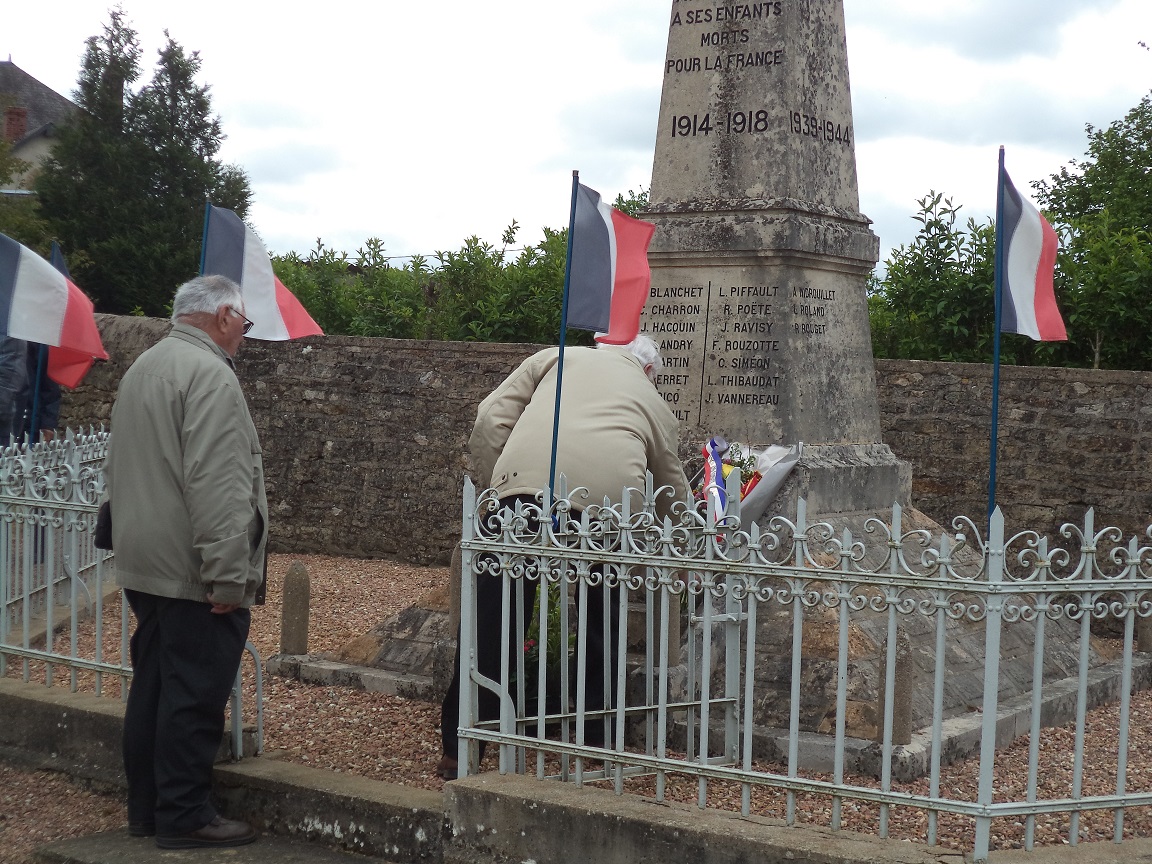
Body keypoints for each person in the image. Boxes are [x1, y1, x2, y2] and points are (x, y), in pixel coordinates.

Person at [438, 334, 690, 779]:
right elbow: (671, 482)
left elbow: (490, 418)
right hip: (606, 505)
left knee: (494, 618)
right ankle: (597, 739)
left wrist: (495, 484)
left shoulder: (553, 356)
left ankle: (461, 744)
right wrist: (690, 540)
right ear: (648, 371)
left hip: (523, 490)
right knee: (600, 618)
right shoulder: (651, 398)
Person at [102, 274, 268, 849]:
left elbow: (119, 463)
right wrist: (228, 574)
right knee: (194, 693)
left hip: (144, 557)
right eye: (244, 324)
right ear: (223, 315)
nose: (243, 336)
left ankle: (147, 810)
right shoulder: (211, 376)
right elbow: (219, 487)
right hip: (189, 566)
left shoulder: (143, 367)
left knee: (152, 685)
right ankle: (184, 814)